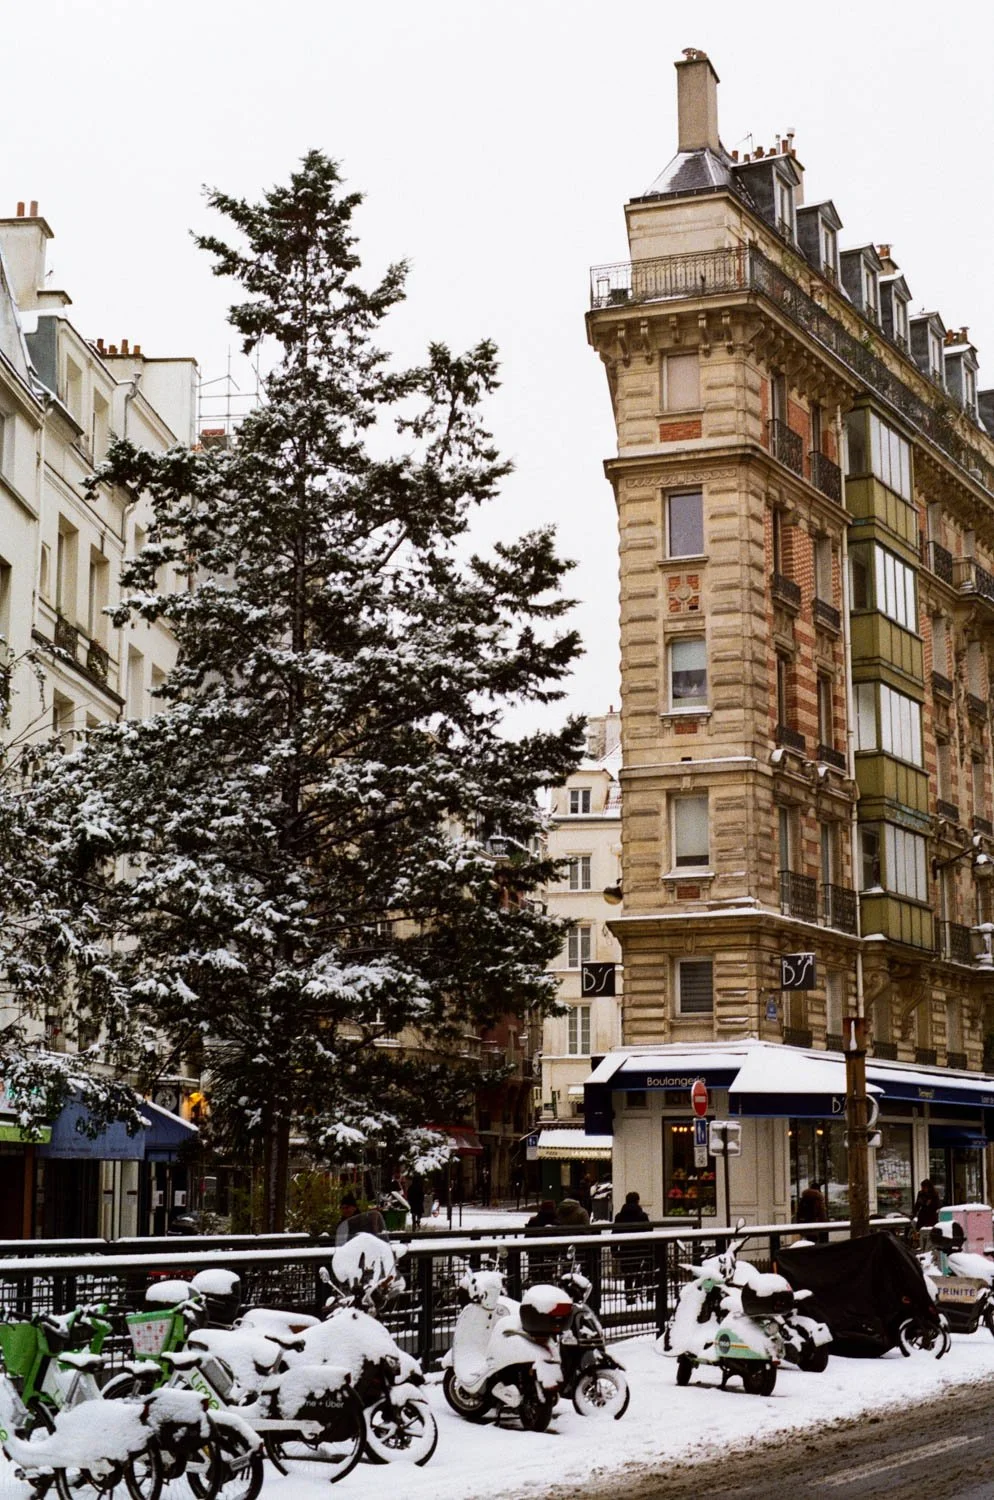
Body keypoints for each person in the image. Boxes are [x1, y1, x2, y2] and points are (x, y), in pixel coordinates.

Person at [613, 1190, 650, 1305]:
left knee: (627, 1276)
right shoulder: (642, 1216)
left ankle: (629, 1298)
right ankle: (637, 1290)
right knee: (638, 1272)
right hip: (640, 1250)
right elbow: (648, 1232)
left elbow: (615, 1233)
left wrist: (614, 1250)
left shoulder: (619, 1216)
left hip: (625, 1250)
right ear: (637, 1201)